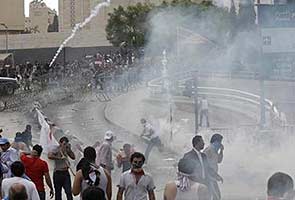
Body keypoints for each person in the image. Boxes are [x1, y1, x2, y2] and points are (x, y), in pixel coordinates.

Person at [183, 135, 223, 200]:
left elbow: (208, 168)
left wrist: (217, 176)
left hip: (206, 182)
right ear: (197, 143)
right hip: (195, 183)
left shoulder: (203, 156)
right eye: (202, 142)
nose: (204, 143)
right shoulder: (189, 156)